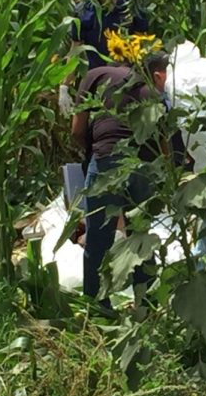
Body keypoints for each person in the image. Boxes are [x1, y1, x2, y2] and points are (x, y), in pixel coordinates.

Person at [71, 53, 170, 309]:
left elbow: (77, 130)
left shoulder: (94, 75)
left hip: (107, 160)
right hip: (144, 165)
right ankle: (147, 305)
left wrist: (93, 154)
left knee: (98, 239)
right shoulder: (152, 93)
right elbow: (165, 146)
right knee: (140, 237)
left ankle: (97, 308)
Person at [70, 0, 149, 69]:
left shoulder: (131, 2)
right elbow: (75, 47)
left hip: (128, 69)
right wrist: (67, 75)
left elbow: (141, 38)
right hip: (97, 72)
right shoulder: (83, 10)